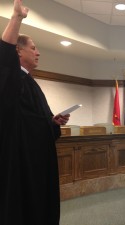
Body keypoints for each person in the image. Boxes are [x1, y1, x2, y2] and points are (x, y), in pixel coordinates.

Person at [0, 0, 70, 224]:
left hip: (38, 160)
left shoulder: (31, 83)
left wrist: (53, 122)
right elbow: (4, 57)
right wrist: (16, 18)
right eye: (33, 48)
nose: (38, 53)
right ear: (18, 52)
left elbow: (35, 119)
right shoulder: (12, 78)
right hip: (21, 162)